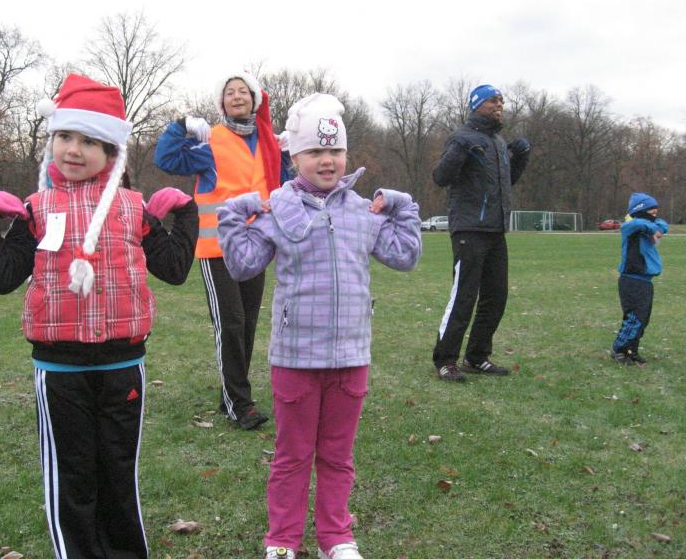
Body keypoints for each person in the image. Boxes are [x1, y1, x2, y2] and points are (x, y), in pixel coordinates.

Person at [0, 73, 198, 559]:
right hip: (61, 371)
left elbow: (175, 269)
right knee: (72, 476)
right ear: (51, 141)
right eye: (65, 137)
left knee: (117, 474)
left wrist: (185, 215)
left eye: (89, 141)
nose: (74, 149)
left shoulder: (132, 208)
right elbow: (5, 276)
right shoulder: (36, 209)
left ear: (111, 152)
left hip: (122, 368)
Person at [217, 93, 421, 559]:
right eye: (314, 151)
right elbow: (242, 264)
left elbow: (406, 255)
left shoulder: (362, 211)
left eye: (335, 151)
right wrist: (235, 213)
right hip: (295, 358)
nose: (327, 161)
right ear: (294, 156)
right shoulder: (278, 208)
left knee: (337, 455)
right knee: (292, 457)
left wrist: (403, 205)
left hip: (351, 356)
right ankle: (282, 541)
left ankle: (337, 537)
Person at [154, 70, 290, 430]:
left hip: (257, 246)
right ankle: (239, 404)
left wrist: (290, 155)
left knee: (247, 323)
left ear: (254, 100)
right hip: (218, 248)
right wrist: (181, 125)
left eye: (243, 91)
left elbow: (285, 186)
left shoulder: (268, 144)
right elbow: (165, 159)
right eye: (230, 92)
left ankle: (232, 395)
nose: (237, 96)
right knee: (230, 324)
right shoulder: (211, 142)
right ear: (222, 103)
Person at [430, 84, 531, 381]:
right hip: (469, 228)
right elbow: (440, 177)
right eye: (493, 100)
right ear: (477, 104)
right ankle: (445, 359)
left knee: (496, 297)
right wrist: (459, 150)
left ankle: (477, 356)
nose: (499, 104)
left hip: (496, 230)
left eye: (501, 100)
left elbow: (505, 183)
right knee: (464, 296)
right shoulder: (462, 137)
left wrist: (520, 158)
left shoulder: (497, 142)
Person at [611, 192, 668, 364]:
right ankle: (619, 350)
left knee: (643, 319)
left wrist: (657, 228)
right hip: (632, 280)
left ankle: (631, 350)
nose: (655, 216)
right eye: (652, 212)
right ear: (641, 211)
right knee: (634, 318)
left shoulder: (648, 226)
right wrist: (653, 228)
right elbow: (639, 224)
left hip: (645, 281)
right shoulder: (631, 227)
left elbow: (663, 225)